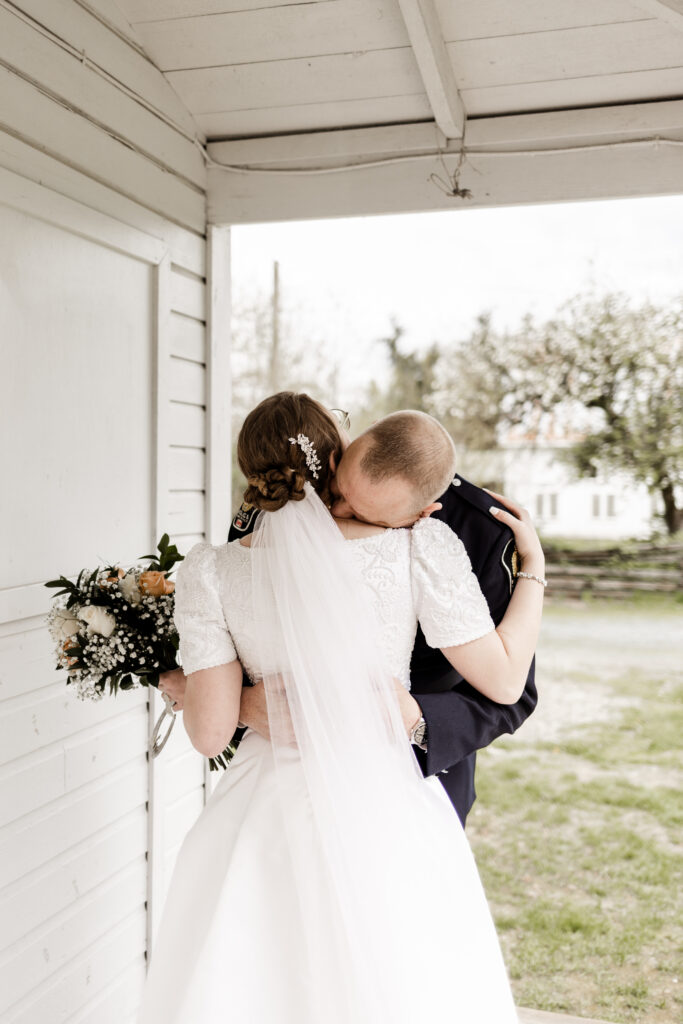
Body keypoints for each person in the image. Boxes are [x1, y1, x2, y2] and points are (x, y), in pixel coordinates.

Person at [138, 391, 546, 1024]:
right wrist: (536, 574)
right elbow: (504, 677)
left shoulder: (211, 571)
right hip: (384, 799)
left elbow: (210, 734)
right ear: (337, 453)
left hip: (265, 808)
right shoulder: (420, 546)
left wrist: (191, 689)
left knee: (254, 977)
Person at [162, 408, 537, 826]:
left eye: (365, 516)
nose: (335, 512)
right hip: (276, 782)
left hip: (407, 772)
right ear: (340, 454)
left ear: (421, 511)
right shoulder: (279, 503)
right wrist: (242, 703)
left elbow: (511, 690)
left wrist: (418, 721)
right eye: (338, 490)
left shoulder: (483, 531)